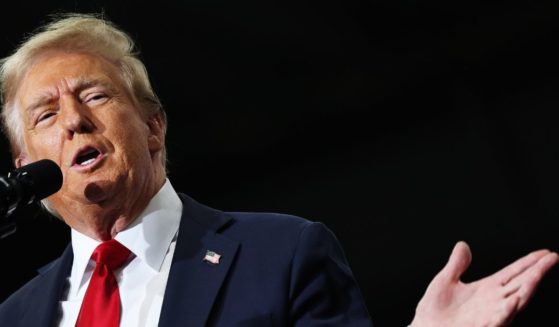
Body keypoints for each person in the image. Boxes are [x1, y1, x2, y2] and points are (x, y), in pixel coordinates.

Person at [0, 13, 556, 327]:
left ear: (153, 127)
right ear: (26, 168)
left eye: (94, 95)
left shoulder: (282, 255)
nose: (73, 120)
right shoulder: (15, 316)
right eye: (45, 115)